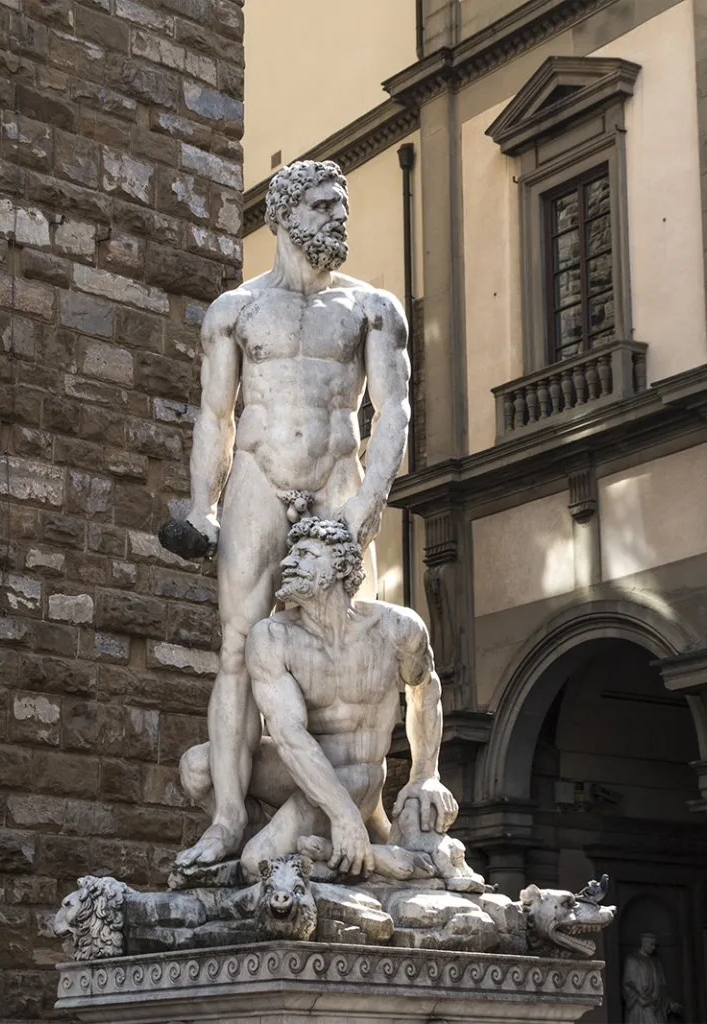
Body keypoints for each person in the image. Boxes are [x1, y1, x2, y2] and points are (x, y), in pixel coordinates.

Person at [164, 159, 412, 869]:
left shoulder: (372, 308)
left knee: (344, 645)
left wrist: (365, 508)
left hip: (339, 481)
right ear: (284, 213)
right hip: (259, 481)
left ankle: (360, 806)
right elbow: (215, 416)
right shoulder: (235, 310)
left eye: (343, 206)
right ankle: (227, 817)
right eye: (325, 205)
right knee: (239, 647)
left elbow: (392, 409)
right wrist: (201, 508)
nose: (340, 216)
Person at [178, 517, 454, 882]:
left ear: (341, 566)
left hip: (358, 774)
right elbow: (290, 736)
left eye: (306, 554)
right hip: (301, 769)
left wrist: (424, 775)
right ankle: (287, 835)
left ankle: (351, 853)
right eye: (290, 555)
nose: (289, 563)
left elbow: (425, 689)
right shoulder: (273, 637)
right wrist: (341, 815)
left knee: (256, 862)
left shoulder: (397, 628)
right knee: (196, 766)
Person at [623, 932, 683, 1023]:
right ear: (644, 943)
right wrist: (639, 999)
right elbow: (626, 984)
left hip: (656, 1004)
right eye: (652, 944)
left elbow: (662, 986)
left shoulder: (656, 962)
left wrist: (669, 1002)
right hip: (640, 1006)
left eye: (655, 945)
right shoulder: (632, 960)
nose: (653, 947)